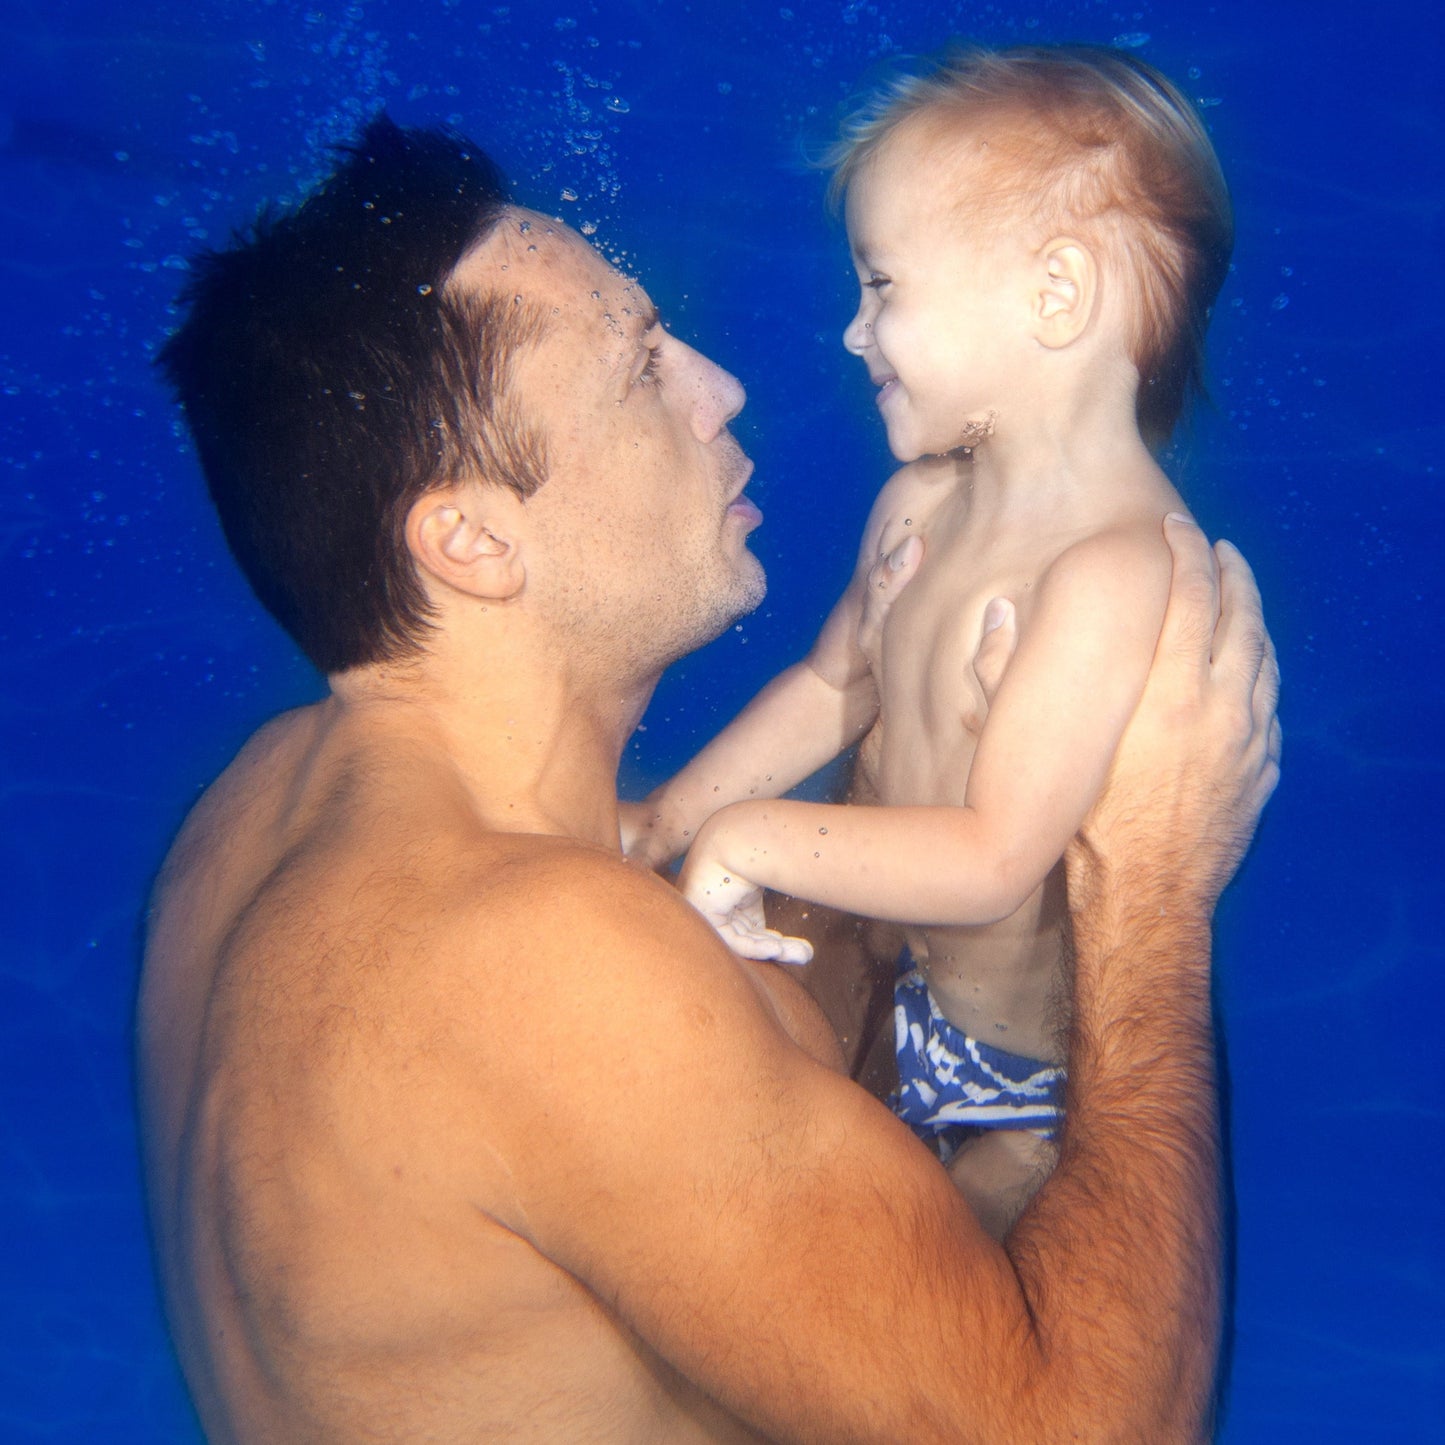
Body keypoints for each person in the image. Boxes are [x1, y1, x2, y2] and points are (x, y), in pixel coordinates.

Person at [140, 115, 1279, 1442]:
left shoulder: (251, 817)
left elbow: (676, 1122)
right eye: (639, 368)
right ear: (472, 539)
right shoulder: (557, 974)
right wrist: (1148, 891)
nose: (719, 388)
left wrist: (897, 751)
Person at [624, 46, 1238, 1236]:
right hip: (907, 987)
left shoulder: (1114, 574)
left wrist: (749, 838)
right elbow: (831, 683)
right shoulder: (917, 506)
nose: (852, 333)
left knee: (920, 1288)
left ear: (1053, 295)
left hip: (1032, 1089)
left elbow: (994, 856)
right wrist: (670, 819)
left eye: (882, 287)